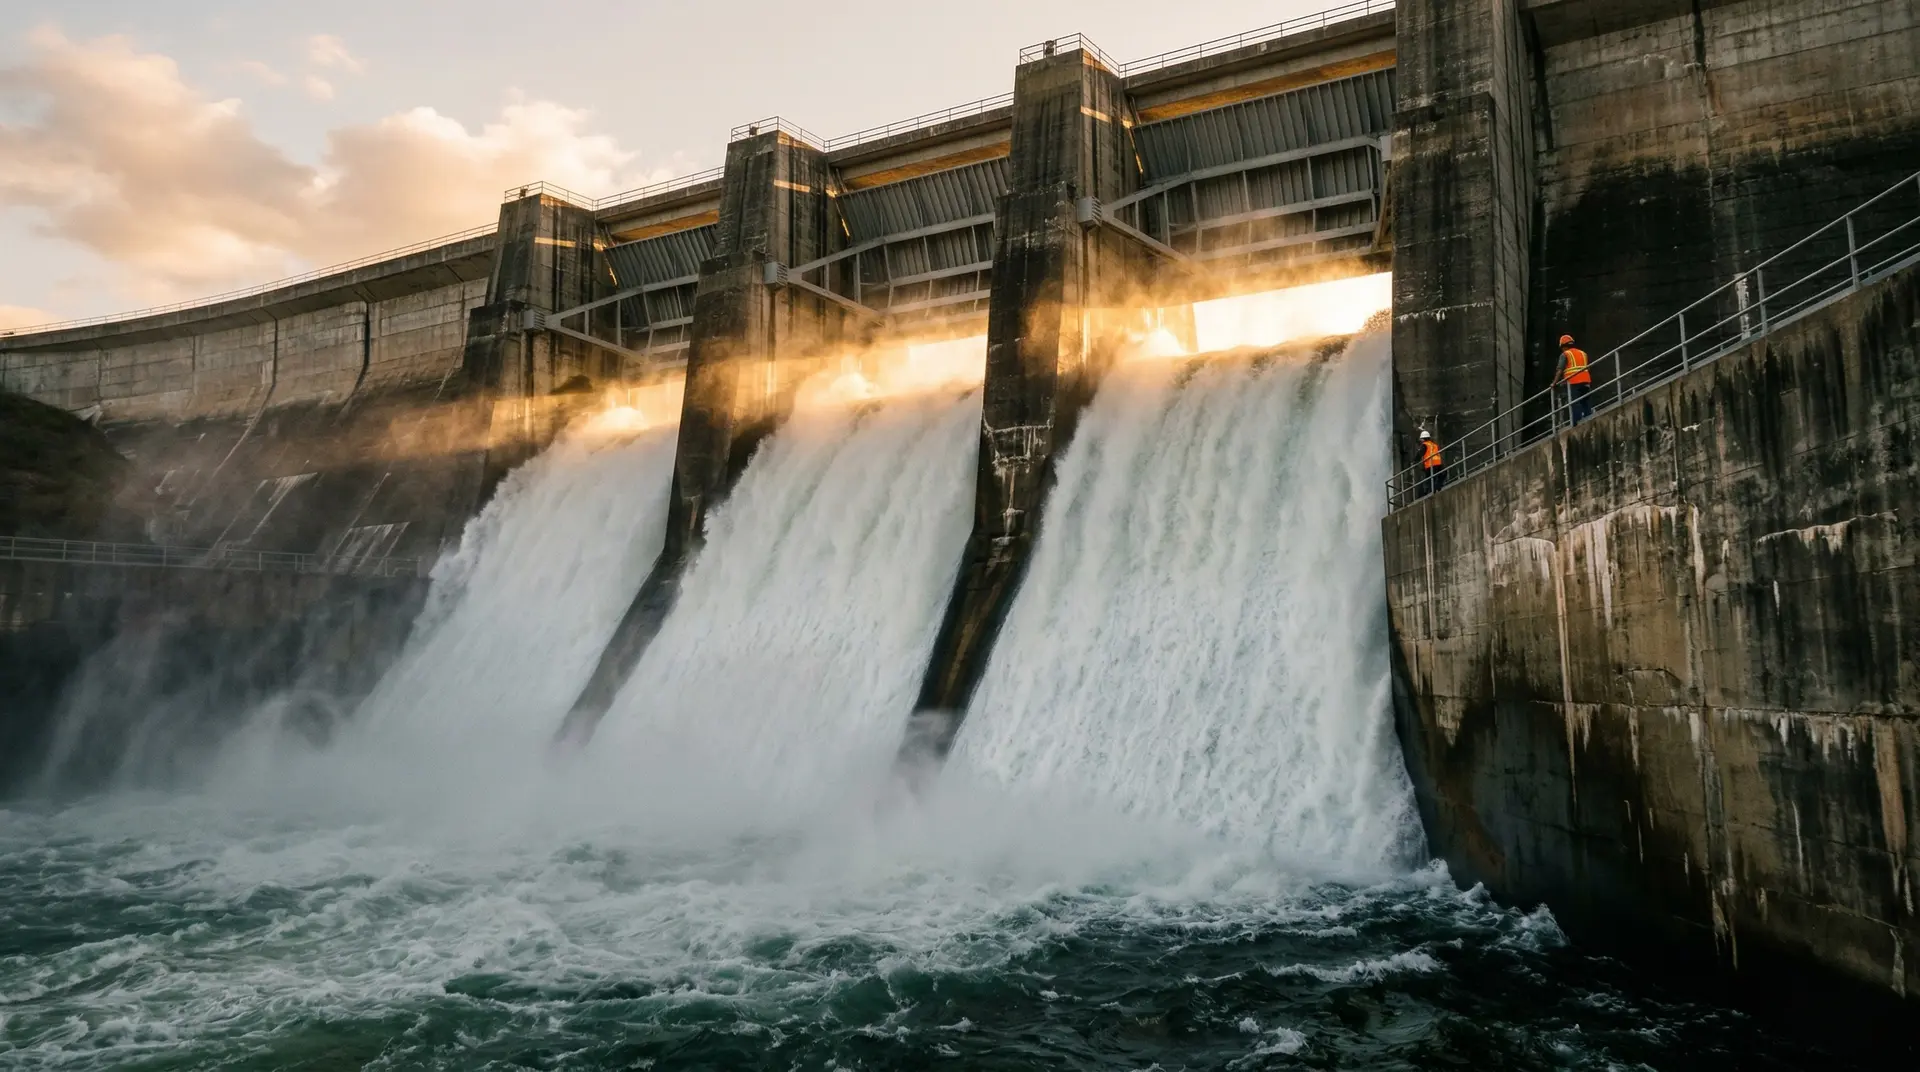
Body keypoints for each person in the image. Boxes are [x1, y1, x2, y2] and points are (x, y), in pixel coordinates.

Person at [1554, 334, 1593, 424]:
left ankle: (1576, 423)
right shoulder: (1583, 353)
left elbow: (1560, 370)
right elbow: (1588, 367)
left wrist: (1554, 383)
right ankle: (1589, 419)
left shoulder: (1565, 354)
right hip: (1586, 381)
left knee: (1574, 403)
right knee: (1585, 401)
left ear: (1563, 346)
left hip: (1574, 382)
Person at [1418, 429, 1445, 497]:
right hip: (1438, 463)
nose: (1420, 440)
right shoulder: (1434, 445)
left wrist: (1414, 461)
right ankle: (1438, 488)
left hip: (1430, 464)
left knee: (1430, 479)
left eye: (1421, 439)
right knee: (1439, 476)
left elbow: (1420, 454)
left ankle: (1431, 492)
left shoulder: (1424, 445)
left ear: (1423, 439)